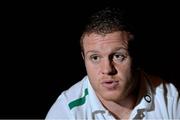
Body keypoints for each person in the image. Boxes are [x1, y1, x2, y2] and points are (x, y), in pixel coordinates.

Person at [45, 7, 180, 119]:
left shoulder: (171, 99)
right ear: (84, 59)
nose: (107, 70)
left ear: (136, 56)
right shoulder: (66, 112)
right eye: (95, 58)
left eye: (118, 56)